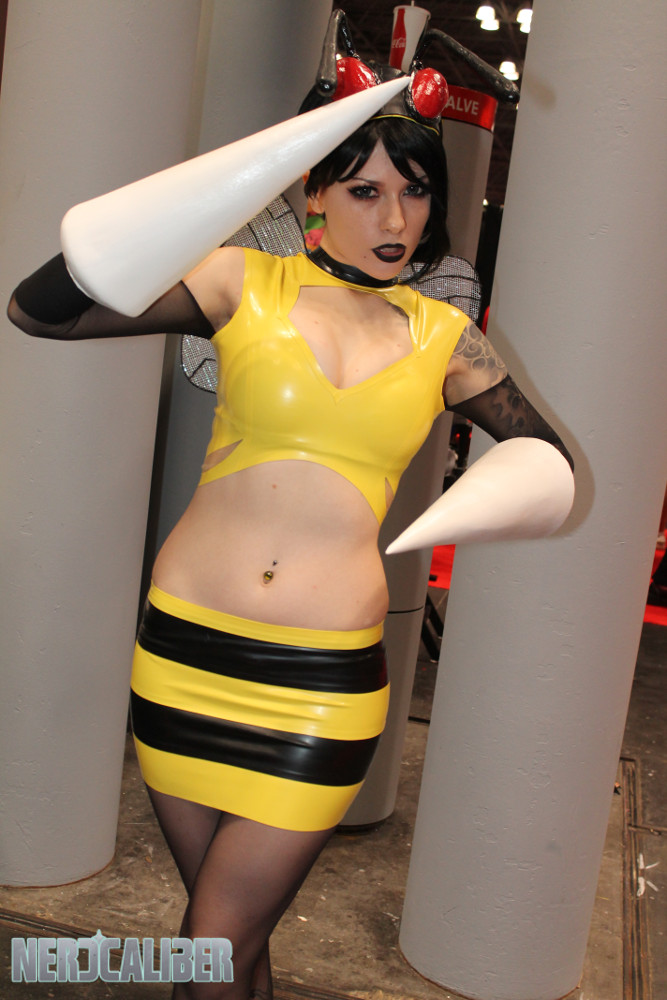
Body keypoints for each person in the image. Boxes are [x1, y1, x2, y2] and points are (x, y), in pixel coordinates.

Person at [7, 42, 573, 1000]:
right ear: (312, 191)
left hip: (320, 685)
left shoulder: (447, 339)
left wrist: (469, 515)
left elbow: (546, 460)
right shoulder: (240, 283)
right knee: (231, 949)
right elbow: (42, 311)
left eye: (415, 192)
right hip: (184, 655)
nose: (394, 219)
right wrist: (201, 193)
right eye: (364, 190)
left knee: (212, 947)